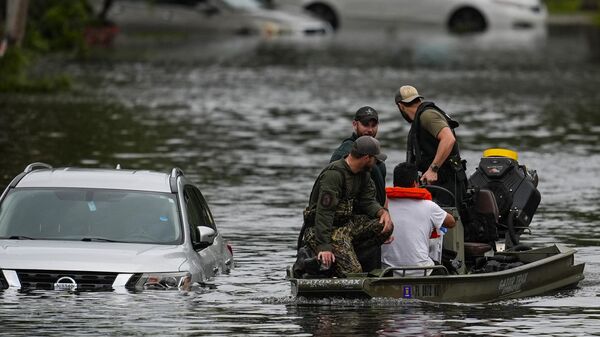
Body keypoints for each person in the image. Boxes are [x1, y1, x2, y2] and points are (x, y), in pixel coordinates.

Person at [298, 136, 393, 277]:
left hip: (346, 226)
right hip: (328, 230)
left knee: (385, 226)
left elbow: (368, 201)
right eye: (375, 159)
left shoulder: (364, 174)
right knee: (354, 273)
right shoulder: (334, 175)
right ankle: (319, 263)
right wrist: (324, 246)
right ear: (367, 158)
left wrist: (382, 212)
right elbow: (325, 212)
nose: (376, 163)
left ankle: (346, 253)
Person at [394, 85, 468, 210]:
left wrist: (433, 169)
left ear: (400, 106)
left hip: (448, 183)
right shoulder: (420, 118)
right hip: (439, 184)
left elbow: (448, 139)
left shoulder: (427, 115)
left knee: (447, 225)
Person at [381, 162, 456, 276]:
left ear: (394, 183)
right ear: (415, 183)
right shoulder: (429, 206)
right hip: (422, 271)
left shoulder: (383, 206)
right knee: (445, 268)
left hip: (388, 272)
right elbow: (451, 222)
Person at [330, 106, 387, 206]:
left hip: (376, 212)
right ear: (355, 124)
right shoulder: (344, 153)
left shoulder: (376, 155)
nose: (370, 130)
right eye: (365, 125)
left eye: (373, 125)